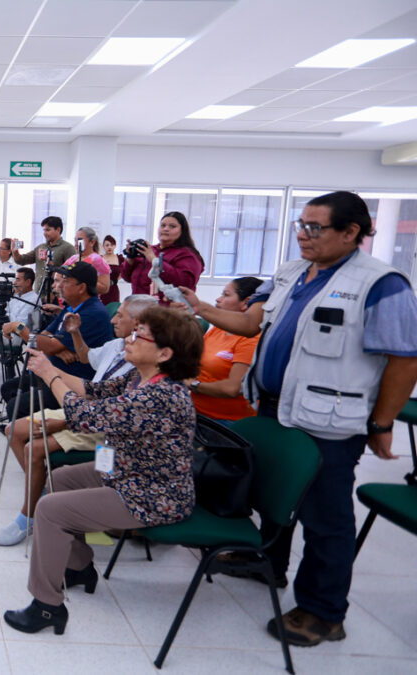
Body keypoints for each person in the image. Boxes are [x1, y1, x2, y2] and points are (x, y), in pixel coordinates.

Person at [178, 191, 417, 648]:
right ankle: (266, 563)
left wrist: (382, 424)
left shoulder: (383, 284)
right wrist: (200, 306)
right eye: (300, 225)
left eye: (315, 228)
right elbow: (251, 324)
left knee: (326, 517)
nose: (304, 236)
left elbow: (404, 360)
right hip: (273, 406)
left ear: (352, 232)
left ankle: (324, 611)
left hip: (328, 419)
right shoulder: (290, 273)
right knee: (272, 491)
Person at [3, 306, 202, 635]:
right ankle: (78, 566)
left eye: (141, 336)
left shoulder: (161, 396)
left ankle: (47, 606)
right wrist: (46, 366)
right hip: (126, 473)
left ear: (165, 353)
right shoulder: (140, 377)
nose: (131, 338)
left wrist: (49, 374)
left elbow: (86, 416)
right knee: (59, 480)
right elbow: (90, 390)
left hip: (151, 495)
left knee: (50, 510)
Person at [0, 294, 157, 545]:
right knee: (13, 429)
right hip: (86, 409)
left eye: (120, 316)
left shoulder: (142, 366)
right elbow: (87, 363)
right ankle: (41, 493)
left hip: (99, 423)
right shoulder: (116, 346)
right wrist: (74, 335)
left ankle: (29, 516)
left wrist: (63, 419)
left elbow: (108, 414)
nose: (113, 319)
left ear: (139, 324)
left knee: (34, 448)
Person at [0, 261, 114, 420]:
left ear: (81, 288)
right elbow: (45, 336)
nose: (60, 286)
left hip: (72, 381)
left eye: (66, 282)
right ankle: (22, 430)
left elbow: (47, 344)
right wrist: (57, 350)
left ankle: (28, 435)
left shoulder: (91, 313)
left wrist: (18, 328)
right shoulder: (71, 307)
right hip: (54, 368)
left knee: (16, 406)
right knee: (8, 388)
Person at [188, 277, 263, 425]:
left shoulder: (251, 340)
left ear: (246, 303)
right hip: (197, 413)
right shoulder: (218, 329)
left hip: (225, 423)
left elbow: (232, 388)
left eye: (226, 295)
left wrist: (193, 385)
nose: (218, 299)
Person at [121, 211, 204, 306]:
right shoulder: (150, 250)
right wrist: (130, 259)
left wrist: (154, 260)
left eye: (172, 226)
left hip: (168, 312)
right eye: (163, 225)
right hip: (139, 307)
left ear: (182, 231)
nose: (166, 229)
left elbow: (185, 283)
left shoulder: (188, 255)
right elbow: (127, 277)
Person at [13, 216, 76, 294]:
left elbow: (72, 273)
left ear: (58, 230)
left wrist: (53, 268)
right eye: (44, 230)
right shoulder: (41, 247)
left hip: (56, 294)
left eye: (48, 230)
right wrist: (15, 252)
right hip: (37, 294)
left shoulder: (68, 248)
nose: (45, 233)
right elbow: (22, 260)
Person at [62, 227, 111, 298]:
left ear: (92, 242)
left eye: (79, 241)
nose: (76, 244)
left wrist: (83, 280)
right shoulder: (73, 258)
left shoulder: (98, 260)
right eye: (75, 240)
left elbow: (105, 288)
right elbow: (60, 274)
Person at [99, 234, 124, 306]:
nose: (109, 247)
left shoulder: (119, 258)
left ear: (115, 246)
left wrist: (116, 279)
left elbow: (124, 271)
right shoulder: (100, 258)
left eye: (112, 245)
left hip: (113, 289)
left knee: (113, 310)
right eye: (107, 245)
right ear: (103, 246)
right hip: (102, 289)